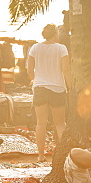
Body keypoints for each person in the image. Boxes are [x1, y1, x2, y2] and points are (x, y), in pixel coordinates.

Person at [28, 24, 70, 162]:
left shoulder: (35, 48)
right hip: (57, 88)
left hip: (40, 87)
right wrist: (70, 87)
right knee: (60, 123)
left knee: (41, 123)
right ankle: (64, 155)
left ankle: (40, 155)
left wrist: (36, 79)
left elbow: (29, 70)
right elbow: (66, 70)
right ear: (55, 34)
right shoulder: (61, 48)